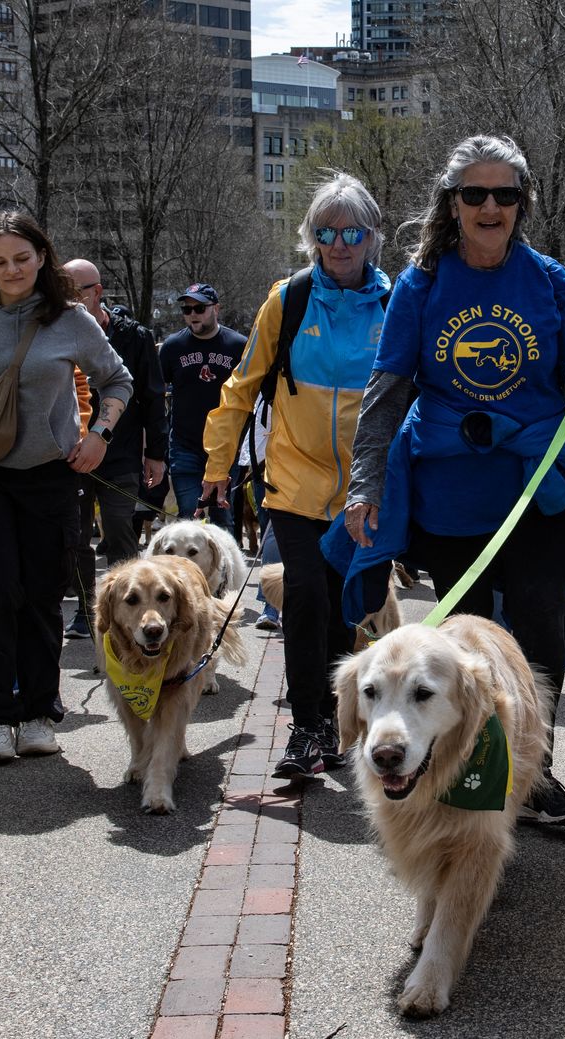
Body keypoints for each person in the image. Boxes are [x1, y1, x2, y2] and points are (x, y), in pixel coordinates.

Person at [340, 134, 565, 826]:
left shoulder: (551, 281)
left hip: (537, 488)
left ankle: (533, 769)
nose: (490, 207)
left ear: (522, 203)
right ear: (452, 204)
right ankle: (464, 766)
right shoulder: (422, 285)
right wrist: (366, 484)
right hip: (453, 490)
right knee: (465, 638)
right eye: (475, 194)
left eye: (505, 194)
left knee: (538, 624)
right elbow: (387, 390)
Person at [199, 172, 390, 778]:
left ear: (371, 237)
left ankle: (337, 722)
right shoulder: (289, 299)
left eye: (351, 231)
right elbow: (240, 388)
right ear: (311, 237)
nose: (339, 243)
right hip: (294, 480)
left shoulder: (397, 302)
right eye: (325, 232)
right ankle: (307, 728)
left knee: (344, 606)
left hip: (364, 489)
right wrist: (217, 464)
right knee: (305, 596)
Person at [0, 212, 132, 764]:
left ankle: (36, 712)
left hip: (49, 474)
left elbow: (116, 378)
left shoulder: (69, 318)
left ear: (42, 259)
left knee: (41, 594)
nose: (11, 270)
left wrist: (100, 432)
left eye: (22, 259)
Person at [61, 258, 167, 639]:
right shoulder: (58, 330)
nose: (70, 301)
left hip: (120, 454)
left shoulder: (134, 337)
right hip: (72, 456)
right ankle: (89, 612)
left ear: (98, 292)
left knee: (120, 531)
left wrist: (156, 453)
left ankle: (133, 608)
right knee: (75, 536)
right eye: (64, 293)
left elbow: (153, 398)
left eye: (78, 293)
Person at [158, 283, 242, 526]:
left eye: (199, 308)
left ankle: (222, 565)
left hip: (226, 446)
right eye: (187, 309)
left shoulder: (238, 346)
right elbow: (156, 393)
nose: (193, 314)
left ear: (216, 308)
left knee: (222, 515)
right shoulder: (172, 347)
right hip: (185, 444)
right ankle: (190, 565)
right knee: (188, 514)